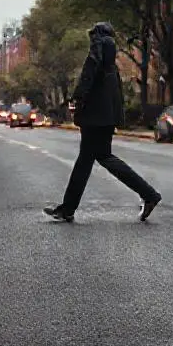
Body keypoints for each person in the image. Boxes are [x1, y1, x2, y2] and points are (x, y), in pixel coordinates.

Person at [44, 22, 162, 223]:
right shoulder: (111, 62)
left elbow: (87, 77)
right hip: (105, 118)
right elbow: (115, 94)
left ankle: (149, 194)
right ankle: (68, 208)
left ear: (96, 35)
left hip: (94, 117)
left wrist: (77, 100)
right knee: (90, 161)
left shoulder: (98, 49)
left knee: (98, 158)